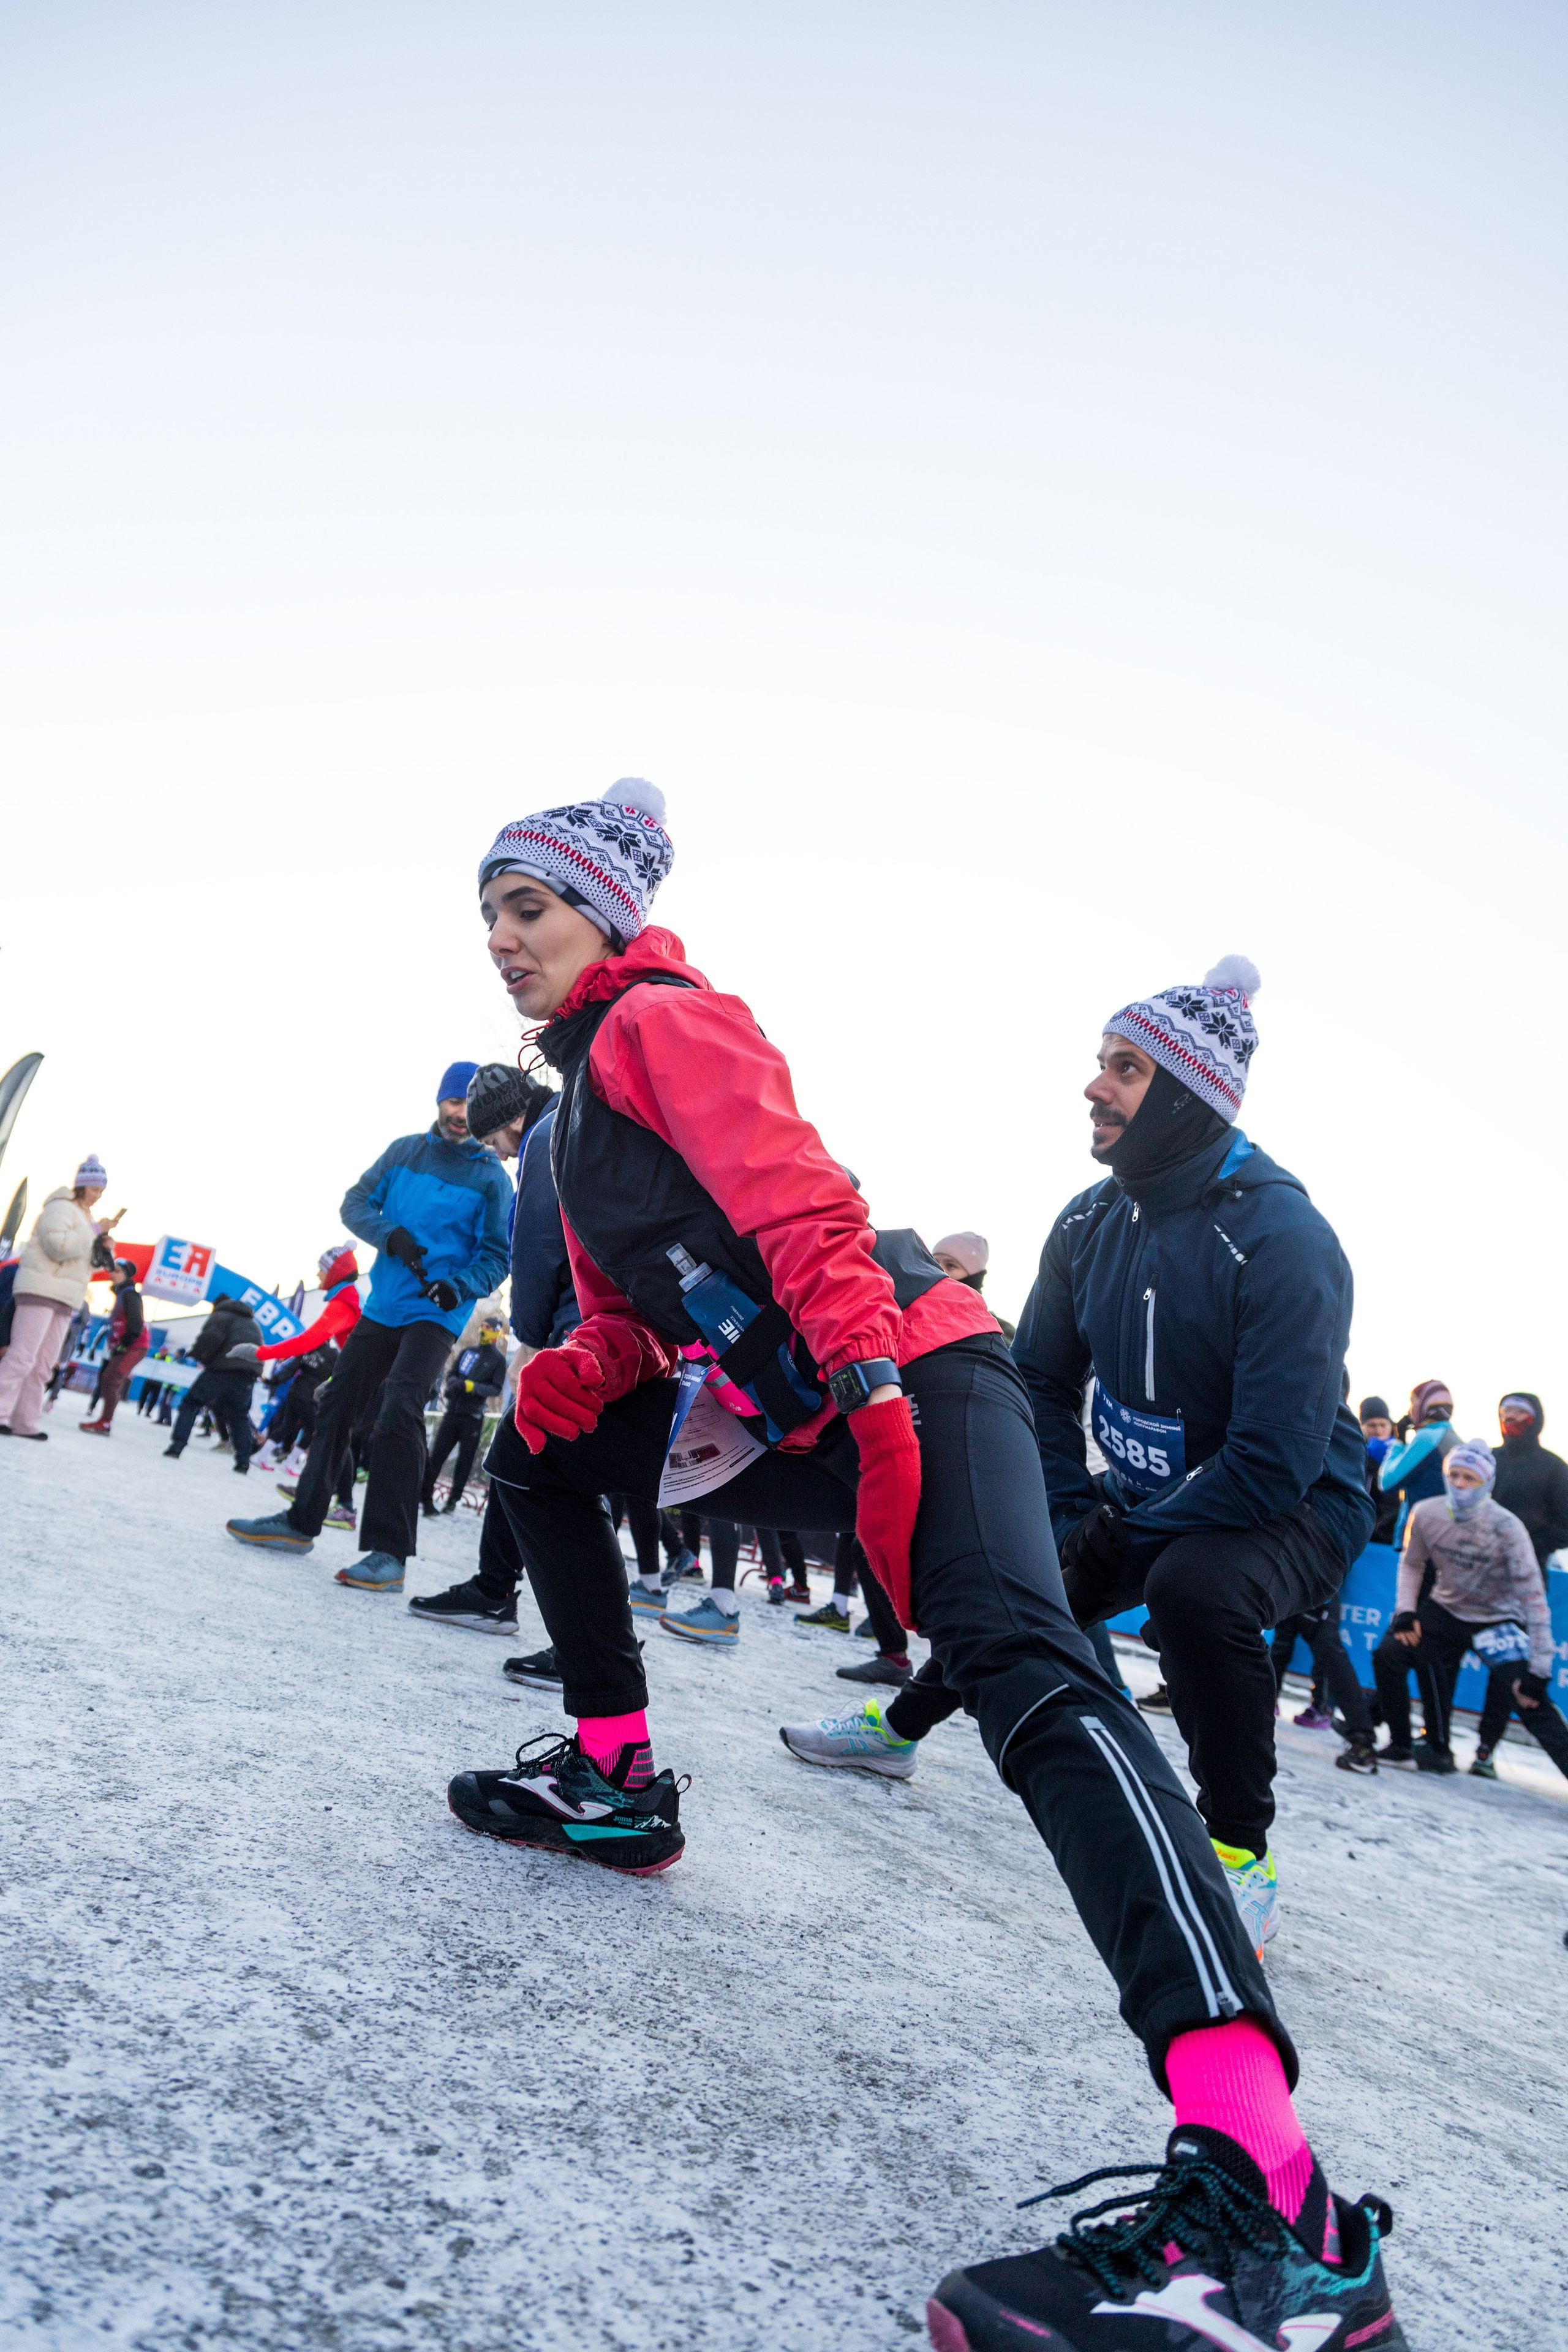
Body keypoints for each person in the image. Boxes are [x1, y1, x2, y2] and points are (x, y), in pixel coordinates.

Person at [445, 785, 1402, 2352]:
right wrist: (592, 1359)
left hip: (905, 1362)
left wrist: (878, 1392)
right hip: (798, 1396)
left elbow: (800, 1202)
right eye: (485, 910)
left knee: (1019, 1660)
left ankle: (1275, 2196)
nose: (500, 936)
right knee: (535, 1456)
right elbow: (666, 1293)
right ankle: (613, 1778)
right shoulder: (576, 1105)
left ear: (606, 918)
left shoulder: (664, 1021)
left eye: (528, 908)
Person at [820, 960, 1374, 1961]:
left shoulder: (1287, 1241)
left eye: (1124, 1069)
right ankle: (899, 1730)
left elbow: (1273, 1463)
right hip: (1148, 1486)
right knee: (1036, 1573)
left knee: (1194, 1590)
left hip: (1294, 1498)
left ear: (1188, 1095)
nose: (1093, 1086)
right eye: (1100, 1062)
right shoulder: (1086, 1219)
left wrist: (1113, 1525)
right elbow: (1035, 1380)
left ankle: (1241, 1856)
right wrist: (1070, 1505)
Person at [225, 1068, 511, 1591]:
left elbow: (497, 1256)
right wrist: (389, 1234)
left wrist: (460, 1286)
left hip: (437, 1311)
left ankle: (389, 1552)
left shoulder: (492, 1177)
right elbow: (354, 1204)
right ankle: (300, 1521)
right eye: (452, 1100)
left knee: (401, 1408)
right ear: (439, 1100)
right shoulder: (405, 1152)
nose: (459, 1114)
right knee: (335, 1403)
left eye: (469, 1106)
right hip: (384, 1305)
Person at [409, 1060, 556, 1640]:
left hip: (574, 1333)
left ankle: (589, 1645)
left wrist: (533, 1338)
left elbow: (540, 1249)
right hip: (577, 1328)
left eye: (494, 1141)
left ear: (513, 1122)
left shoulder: (546, 1146)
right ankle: (494, 1589)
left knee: (550, 1474)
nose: (497, 1154)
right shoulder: (557, 1136)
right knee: (517, 1462)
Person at [1371, 1439, 1568, 1783]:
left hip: (1496, 1619)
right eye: (1455, 1475)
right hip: (1445, 1610)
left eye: (1470, 1479)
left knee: (1528, 1695)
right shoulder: (1428, 1512)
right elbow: (1412, 1564)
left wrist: (1540, 1669)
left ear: (1487, 1483)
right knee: (1389, 1654)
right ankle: (1403, 1744)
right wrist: (1405, 1612)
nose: (1460, 1485)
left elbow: (1534, 1600)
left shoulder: (1507, 1528)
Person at [0, 1157, 124, 1440]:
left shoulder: (87, 1219)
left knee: (45, 1364)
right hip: (40, 1289)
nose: (97, 1196)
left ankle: (25, 1421)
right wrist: (94, 1231)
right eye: (94, 1189)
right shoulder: (60, 1208)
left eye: (101, 1192)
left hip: (67, 1297)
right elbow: (58, 1246)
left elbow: (83, 1264)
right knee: (22, 1356)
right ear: (81, 1186)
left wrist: (103, 1248)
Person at [420, 1314, 509, 1514]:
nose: (482, 1330)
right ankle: (425, 1495)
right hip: (452, 1412)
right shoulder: (469, 1352)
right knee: (436, 1457)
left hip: (473, 1417)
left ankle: (453, 1500)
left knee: (465, 1461)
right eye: (482, 1326)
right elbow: (452, 1373)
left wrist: (471, 1387)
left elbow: (495, 1389)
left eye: (487, 1327)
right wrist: (452, 1383)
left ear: (495, 1332)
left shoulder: (498, 1361)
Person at [164, 1294, 263, 1469]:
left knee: (191, 1403)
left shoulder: (221, 1316)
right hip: (247, 1376)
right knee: (239, 1415)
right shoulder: (253, 1324)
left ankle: (176, 1447)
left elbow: (209, 1340)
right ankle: (243, 1461)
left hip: (221, 1370)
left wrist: (198, 1356)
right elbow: (259, 1351)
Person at [1491, 1392, 1568, 1580]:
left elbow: (1565, 1525)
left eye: (1520, 1412)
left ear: (1535, 1418)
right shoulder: (1487, 1459)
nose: (1511, 1416)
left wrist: (1528, 1547)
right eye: (1506, 1411)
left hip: (1528, 1574)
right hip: (1479, 1568)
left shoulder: (1554, 1467)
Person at [1376, 1381, 1456, 1546]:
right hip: (1443, 1536)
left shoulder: (1428, 1438)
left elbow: (1387, 1482)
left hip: (1422, 1540)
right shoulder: (1452, 1438)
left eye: (1413, 1402)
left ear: (1426, 1406)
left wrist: (1398, 1442)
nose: (1409, 1410)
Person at [78, 1260, 148, 1432]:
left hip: (135, 1345)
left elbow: (136, 1324)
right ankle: (104, 1421)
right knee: (108, 1379)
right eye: (112, 1271)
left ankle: (105, 1422)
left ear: (126, 1275)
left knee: (111, 1379)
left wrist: (124, 1343)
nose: (112, 1275)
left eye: (117, 1271)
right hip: (125, 1345)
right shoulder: (121, 1294)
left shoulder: (130, 1294)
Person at [932, 1229, 1014, 1342]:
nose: (939, 1270)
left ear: (975, 1277)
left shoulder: (998, 1333)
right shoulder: (910, 1312)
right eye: (934, 1262)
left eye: (951, 1265)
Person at [1359, 1395, 1401, 1546]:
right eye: (1372, 1425)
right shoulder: (1354, 1456)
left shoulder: (1402, 1455)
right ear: (1361, 1427)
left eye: (1383, 1425)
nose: (1378, 1430)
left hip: (1391, 1535)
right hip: (1363, 1534)